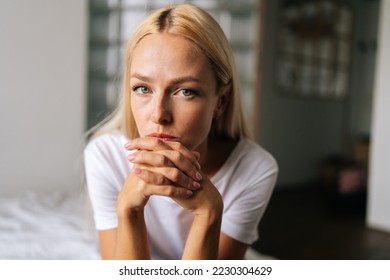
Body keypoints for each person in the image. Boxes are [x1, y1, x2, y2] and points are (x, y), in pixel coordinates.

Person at [84, 3, 278, 260]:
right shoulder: (105, 155)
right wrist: (128, 209)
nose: (158, 114)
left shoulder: (255, 169)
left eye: (185, 91)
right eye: (143, 88)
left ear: (220, 102)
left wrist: (209, 212)